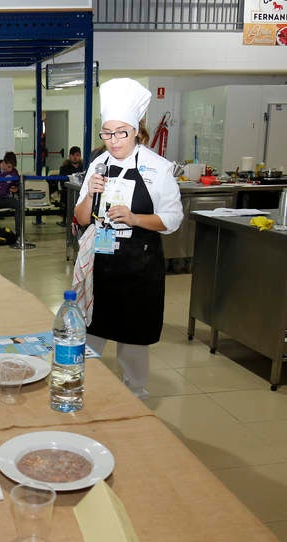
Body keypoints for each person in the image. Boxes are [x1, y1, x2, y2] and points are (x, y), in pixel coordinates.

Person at [74, 78, 183, 399]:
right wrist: (89, 194)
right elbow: (81, 218)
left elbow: (173, 219)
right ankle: (83, 386)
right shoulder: (98, 165)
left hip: (139, 264)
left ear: (136, 130)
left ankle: (136, 391)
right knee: (91, 329)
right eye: (107, 133)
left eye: (121, 132)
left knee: (133, 337)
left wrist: (135, 218)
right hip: (101, 263)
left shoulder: (157, 168)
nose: (114, 141)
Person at [57, 146, 84, 226]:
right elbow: (63, 183)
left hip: (81, 191)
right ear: (69, 156)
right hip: (68, 192)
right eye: (72, 155)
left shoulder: (84, 167)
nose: (75, 157)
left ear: (80, 156)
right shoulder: (64, 168)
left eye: (77, 155)